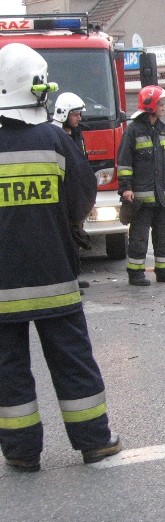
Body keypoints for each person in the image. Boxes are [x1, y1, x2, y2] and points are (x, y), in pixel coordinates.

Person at [0, 43, 121, 472]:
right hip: (55, 276)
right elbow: (84, 193)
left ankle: (21, 452)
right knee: (72, 361)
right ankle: (94, 441)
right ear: (37, 89)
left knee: (8, 371)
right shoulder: (54, 140)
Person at [117, 85, 165, 286]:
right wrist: (126, 188)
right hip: (141, 199)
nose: (163, 107)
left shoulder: (163, 130)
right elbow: (124, 162)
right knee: (139, 237)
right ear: (151, 105)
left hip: (162, 197)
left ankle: (164, 271)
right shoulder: (133, 131)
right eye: (161, 104)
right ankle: (135, 273)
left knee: (164, 236)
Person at [52, 92, 91, 289]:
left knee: (75, 238)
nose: (79, 118)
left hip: (75, 196)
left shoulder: (77, 135)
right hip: (61, 197)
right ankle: (67, 280)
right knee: (64, 240)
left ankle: (74, 276)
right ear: (64, 113)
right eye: (75, 114)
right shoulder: (55, 136)